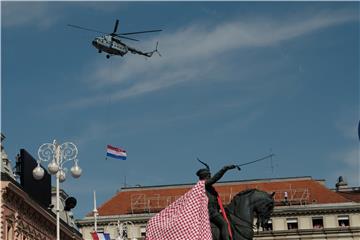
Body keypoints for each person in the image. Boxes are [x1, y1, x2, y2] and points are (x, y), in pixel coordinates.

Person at [196, 160, 238, 240]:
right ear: (205, 176)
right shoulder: (204, 184)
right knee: (224, 224)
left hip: (214, 210)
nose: (211, 177)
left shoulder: (209, 187)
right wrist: (225, 168)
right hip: (210, 212)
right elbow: (215, 178)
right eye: (209, 175)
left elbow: (214, 201)